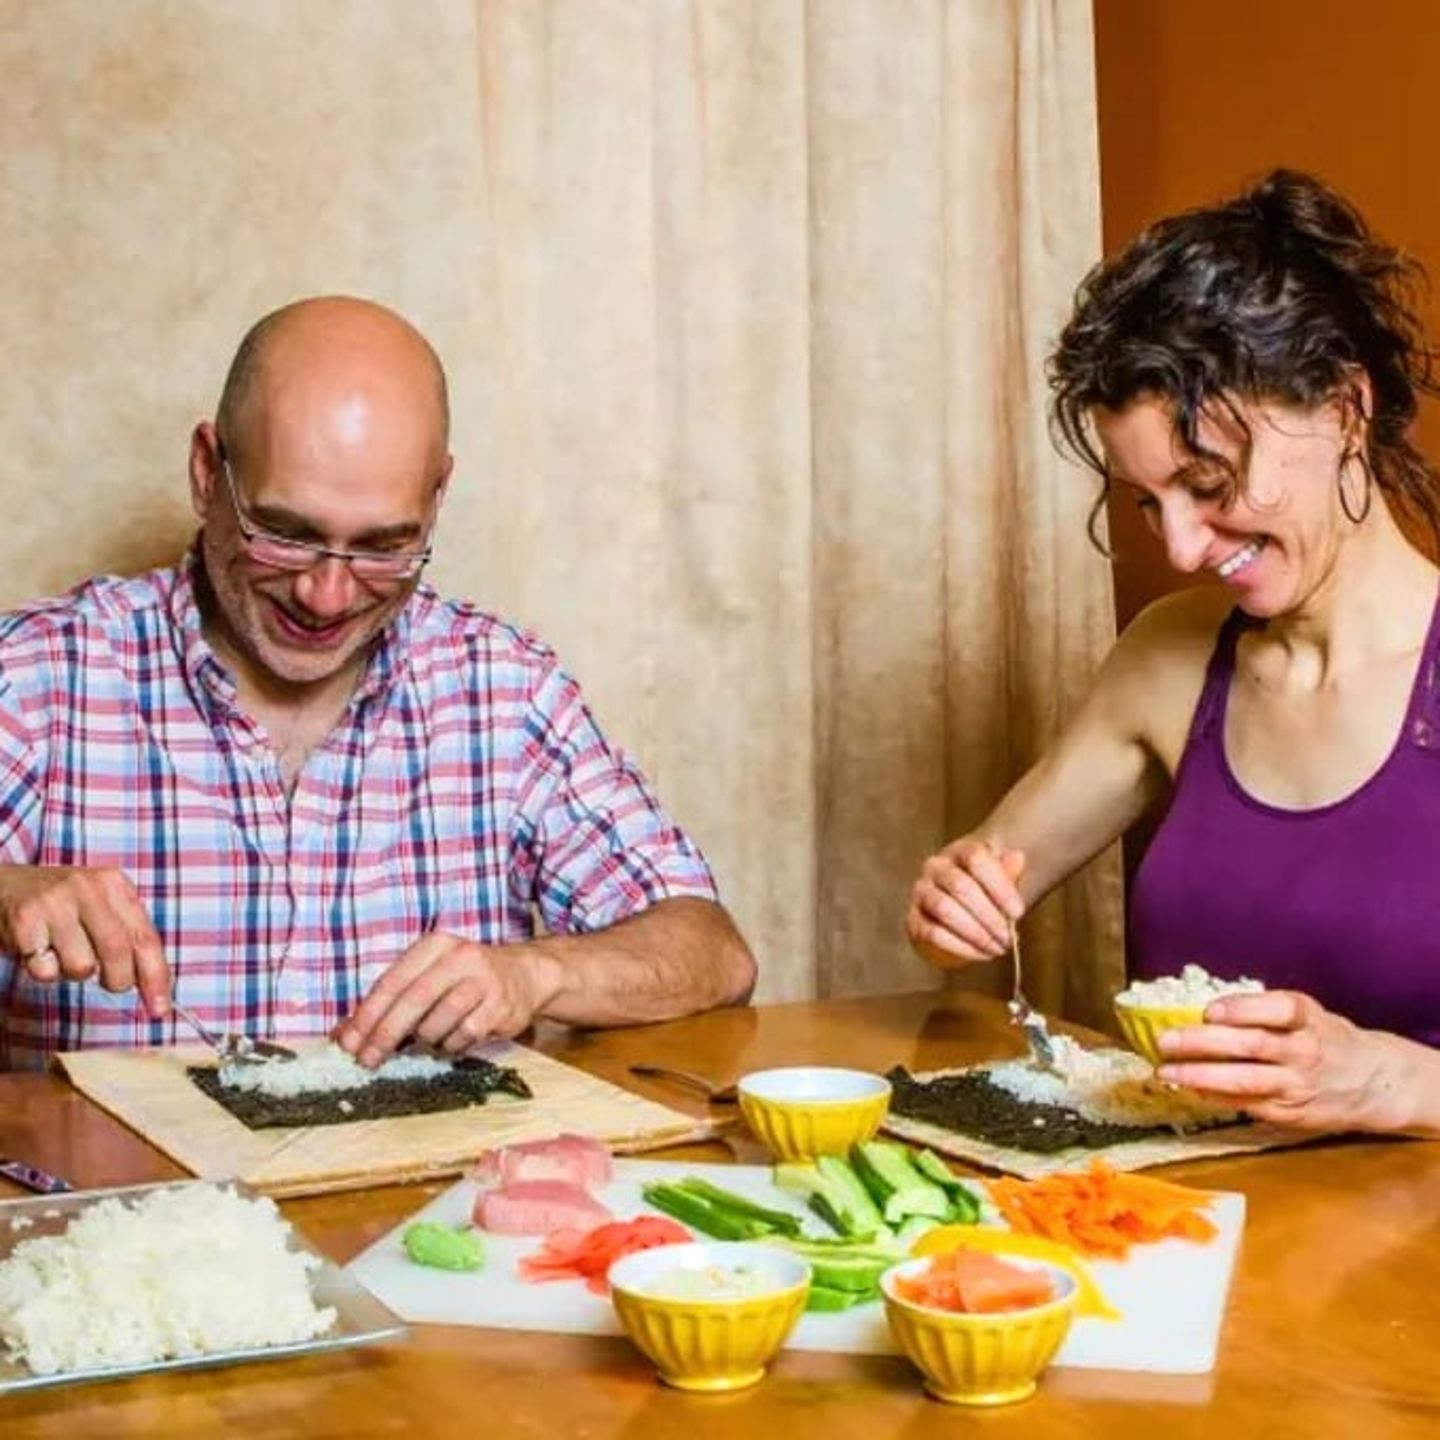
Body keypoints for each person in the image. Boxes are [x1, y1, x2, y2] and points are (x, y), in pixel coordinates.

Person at [0, 296, 755, 1071]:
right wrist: (5, 893)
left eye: (385, 547)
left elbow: (711, 950)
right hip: (123, 1193)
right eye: (285, 535)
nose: (327, 596)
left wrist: (535, 974)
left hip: (420, 1195)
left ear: (437, 499)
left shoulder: (501, 687)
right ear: (205, 473)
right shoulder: (40, 676)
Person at [906, 169, 1440, 1138]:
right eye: (1151, 503)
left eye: (1209, 482)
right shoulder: (1170, 658)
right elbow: (983, 889)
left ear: (1345, 409)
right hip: (1181, 1240)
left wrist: (1395, 1082)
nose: (1183, 548)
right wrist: (957, 902)